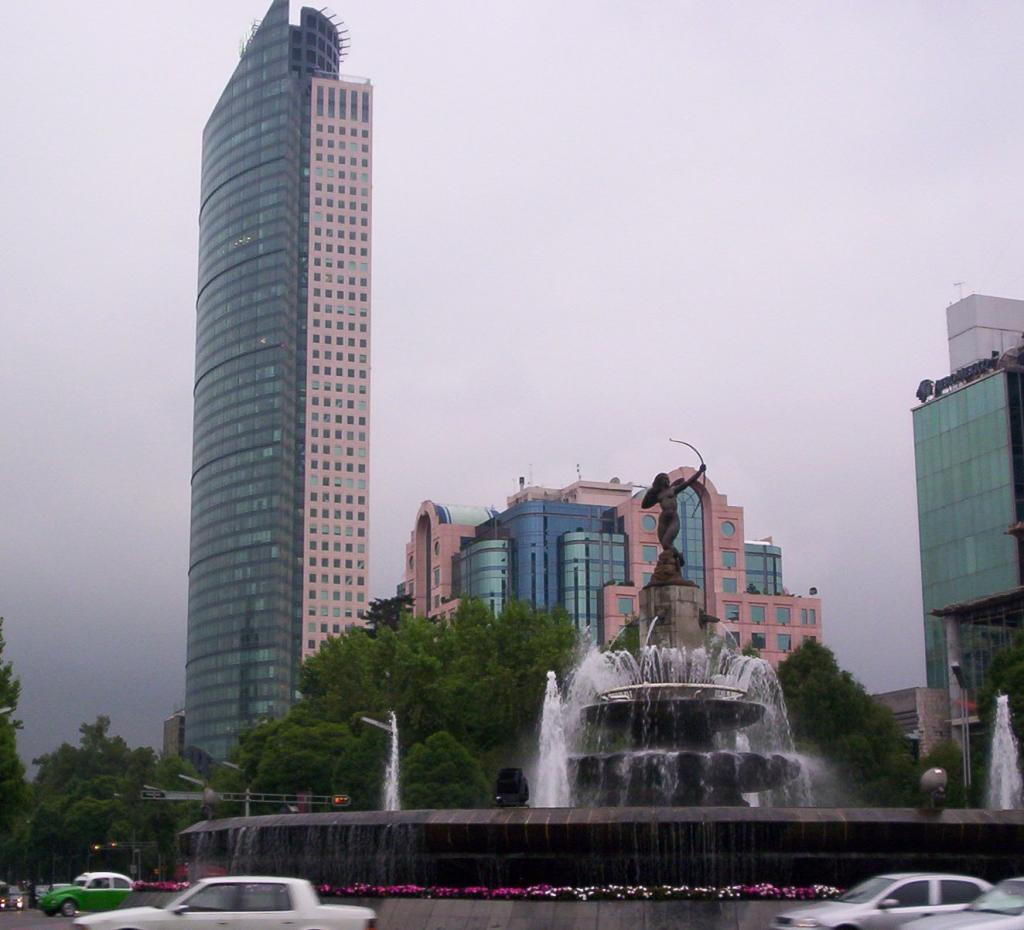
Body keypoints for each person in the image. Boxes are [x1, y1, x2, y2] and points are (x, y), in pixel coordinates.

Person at [641, 465, 707, 567]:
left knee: (667, 543)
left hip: (673, 518)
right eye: (664, 479)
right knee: (665, 545)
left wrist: (699, 472)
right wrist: (651, 491)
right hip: (663, 519)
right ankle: (672, 563)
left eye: (667, 479)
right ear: (659, 481)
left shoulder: (673, 490)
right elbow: (644, 505)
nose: (666, 481)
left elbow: (687, 483)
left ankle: (679, 557)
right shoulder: (658, 495)